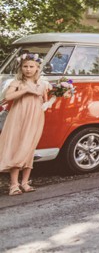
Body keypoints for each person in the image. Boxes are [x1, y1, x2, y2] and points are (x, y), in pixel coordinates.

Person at [0, 53, 50, 196]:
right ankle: (14, 184)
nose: (28, 69)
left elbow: (45, 101)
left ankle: (25, 182)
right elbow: (8, 97)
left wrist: (56, 97)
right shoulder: (17, 82)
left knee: (29, 147)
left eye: (31, 66)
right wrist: (26, 90)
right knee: (17, 146)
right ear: (21, 68)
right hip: (18, 117)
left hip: (35, 117)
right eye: (25, 66)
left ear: (37, 68)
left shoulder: (42, 83)